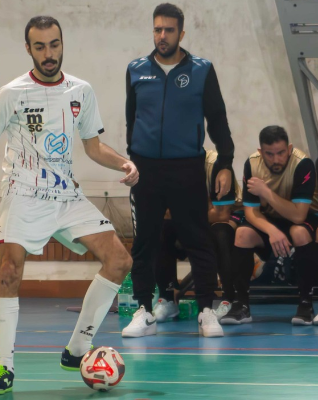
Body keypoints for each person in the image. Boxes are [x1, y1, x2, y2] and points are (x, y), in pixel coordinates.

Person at [0, 16, 138, 395]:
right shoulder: (12, 93)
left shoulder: (81, 91)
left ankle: (77, 349)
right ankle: (3, 369)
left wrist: (124, 163)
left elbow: (93, 147)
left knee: (120, 260)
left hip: (65, 194)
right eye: (39, 46)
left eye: (54, 45)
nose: (48, 53)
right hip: (23, 194)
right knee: (9, 272)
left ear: (62, 44)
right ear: (29, 49)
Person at [122, 3, 235, 338]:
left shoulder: (202, 70)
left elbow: (218, 119)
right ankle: (144, 310)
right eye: (157, 29)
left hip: (187, 167)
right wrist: (132, 159)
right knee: (145, 242)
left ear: (181, 33)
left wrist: (225, 163)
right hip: (146, 170)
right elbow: (132, 119)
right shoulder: (135, 70)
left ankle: (206, 311)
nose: (162, 36)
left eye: (169, 30)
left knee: (198, 240)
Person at [221, 125, 318, 325]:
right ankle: (241, 304)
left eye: (281, 153)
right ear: (260, 151)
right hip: (268, 221)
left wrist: (266, 192)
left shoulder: (303, 164)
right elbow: (251, 212)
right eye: (270, 154)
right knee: (242, 234)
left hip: (299, 219)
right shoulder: (252, 163)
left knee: (299, 232)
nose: (276, 159)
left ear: (289, 149)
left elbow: (299, 215)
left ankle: (305, 304)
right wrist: (272, 230)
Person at [152, 149, 242, 323]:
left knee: (221, 232)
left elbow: (221, 214)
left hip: (224, 220)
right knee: (162, 229)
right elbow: (164, 213)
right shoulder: (166, 166)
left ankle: (228, 298)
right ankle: (168, 298)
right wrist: (199, 209)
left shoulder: (216, 165)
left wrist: (184, 211)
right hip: (195, 220)